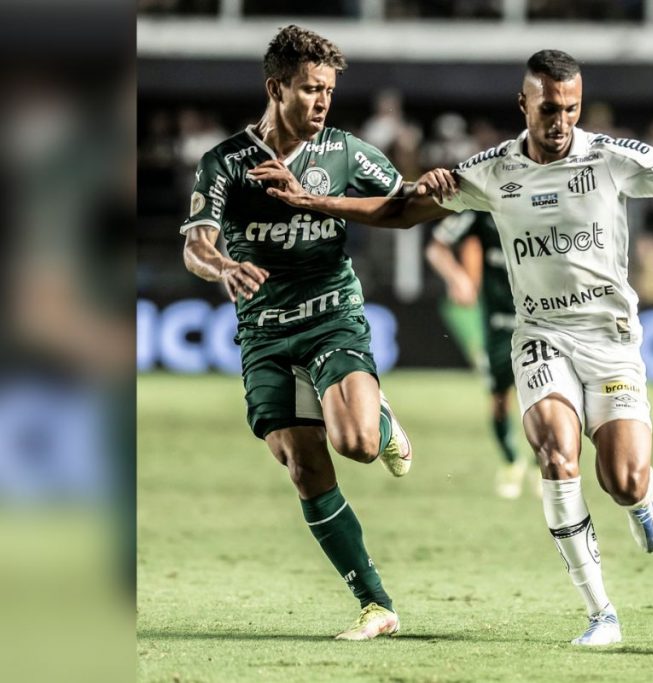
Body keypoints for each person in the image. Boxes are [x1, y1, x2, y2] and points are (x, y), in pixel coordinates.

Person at [249, 49, 653, 646]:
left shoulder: (612, 158)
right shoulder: (492, 169)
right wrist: (316, 202)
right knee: (556, 455)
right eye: (548, 108)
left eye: (570, 108)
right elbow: (401, 210)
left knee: (621, 479)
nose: (560, 121)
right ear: (525, 104)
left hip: (611, 342)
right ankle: (601, 613)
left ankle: (642, 497)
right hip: (541, 337)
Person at [180, 25, 414, 641]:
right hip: (264, 333)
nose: (321, 102)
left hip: (331, 313)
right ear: (275, 87)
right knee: (303, 468)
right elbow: (197, 244)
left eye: (328, 91)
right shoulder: (226, 162)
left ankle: (383, 423)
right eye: (310, 89)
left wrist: (432, 190)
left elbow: (405, 206)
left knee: (359, 444)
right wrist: (223, 266)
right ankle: (376, 606)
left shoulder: (345, 154)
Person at [426, 210, 540, 499]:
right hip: (499, 324)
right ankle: (512, 462)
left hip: (542, 322)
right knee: (500, 400)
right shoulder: (483, 205)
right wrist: (458, 279)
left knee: (545, 398)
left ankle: (544, 467)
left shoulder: (546, 196)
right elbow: (437, 247)